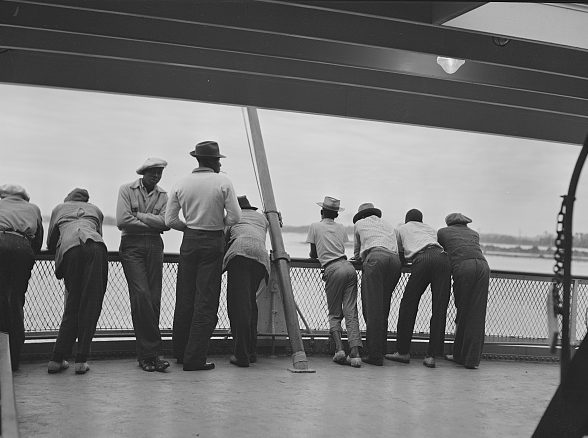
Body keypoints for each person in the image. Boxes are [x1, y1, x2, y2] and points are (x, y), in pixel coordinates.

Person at [166, 140, 241, 371]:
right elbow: (235, 217)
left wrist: (189, 228)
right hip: (212, 242)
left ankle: (179, 351)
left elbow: (170, 220)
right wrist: (218, 223)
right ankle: (194, 358)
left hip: (189, 242)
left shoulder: (181, 183)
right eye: (218, 160)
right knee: (206, 301)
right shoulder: (222, 182)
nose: (220, 164)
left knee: (185, 297)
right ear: (213, 161)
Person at [116, 157, 170, 373]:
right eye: (152, 172)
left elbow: (166, 223)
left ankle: (147, 355)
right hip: (132, 246)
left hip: (155, 246)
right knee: (141, 296)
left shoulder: (164, 195)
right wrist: (152, 221)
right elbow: (122, 221)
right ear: (143, 173)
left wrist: (137, 215)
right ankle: (152, 353)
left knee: (153, 299)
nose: (156, 176)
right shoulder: (126, 189)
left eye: (159, 172)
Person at [46, 188, 108, 375]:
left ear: (68, 199)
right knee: (91, 303)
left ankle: (56, 359)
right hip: (96, 247)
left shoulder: (60, 208)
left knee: (73, 302)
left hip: (70, 250)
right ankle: (81, 361)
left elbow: (50, 241)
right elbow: (100, 234)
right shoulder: (95, 210)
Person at [386, 208, 451, 369]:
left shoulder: (401, 228)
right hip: (443, 259)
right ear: (421, 220)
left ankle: (402, 352)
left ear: (407, 219)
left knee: (408, 304)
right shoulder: (430, 229)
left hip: (422, 259)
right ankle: (431, 356)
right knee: (439, 308)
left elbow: (400, 255)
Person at [306, 196, 362, 368]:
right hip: (349, 267)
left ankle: (339, 350)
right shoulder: (341, 228)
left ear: (322, 212)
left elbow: (313, 254)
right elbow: (341, 247)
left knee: (335, 312)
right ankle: (355, 353)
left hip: (332, 269)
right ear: (336, 215)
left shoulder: (315, 226)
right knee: (351, 311)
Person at [437, 213, 490, 369]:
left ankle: (460, 355)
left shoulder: (443, 232)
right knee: (477, 313)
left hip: (463, 266)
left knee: (463, 311)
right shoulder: (474, 233)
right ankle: (471, 358)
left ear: (449, 223)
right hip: (483, 266)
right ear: (465, 223)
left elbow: (441, 252)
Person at [223, 195, 270, 367]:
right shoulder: (261, 218)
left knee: (238, 306)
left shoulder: (233, 216)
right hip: (261, 258)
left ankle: (241, 354)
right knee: (250, 303)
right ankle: (252, 351)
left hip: (240, 253)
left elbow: (225, 239)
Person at [0, 184, 43, 371]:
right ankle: (14, 359)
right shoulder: (33, 208)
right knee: (16, 301)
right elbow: (39, 240)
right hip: (23, 248)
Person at [352, 203, 402, 366]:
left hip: (375, 259)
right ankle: (381, 349)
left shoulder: (359, 224)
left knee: (372, 308)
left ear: (360, 216)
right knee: (383, 307)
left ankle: (374, 355)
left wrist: (360, 258)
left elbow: (357, 252)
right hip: (395, 262)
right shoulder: (388, 225)